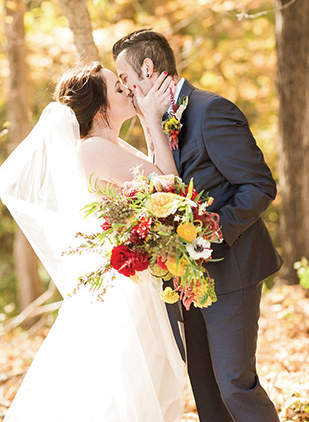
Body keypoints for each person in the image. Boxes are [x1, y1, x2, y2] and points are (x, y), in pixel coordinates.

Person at [113, 29, 283, 422]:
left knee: (235, 385)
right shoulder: (154, 121)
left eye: (125, 78)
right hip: (184, 279)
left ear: (149, 68)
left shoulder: (210, 110)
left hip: (231, 270)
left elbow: (259, 185)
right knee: (205, 388)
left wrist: (210, 232)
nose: (124, 88)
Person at [0, 62, 186, 422]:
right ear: (100, 108)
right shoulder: (92, 149)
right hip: (125, 295)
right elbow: (169, 182)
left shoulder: (112, 145)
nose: (128, 91)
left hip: (138, 283)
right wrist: (151, 118)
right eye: (119, 89)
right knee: (121, 393)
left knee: (144, 385)